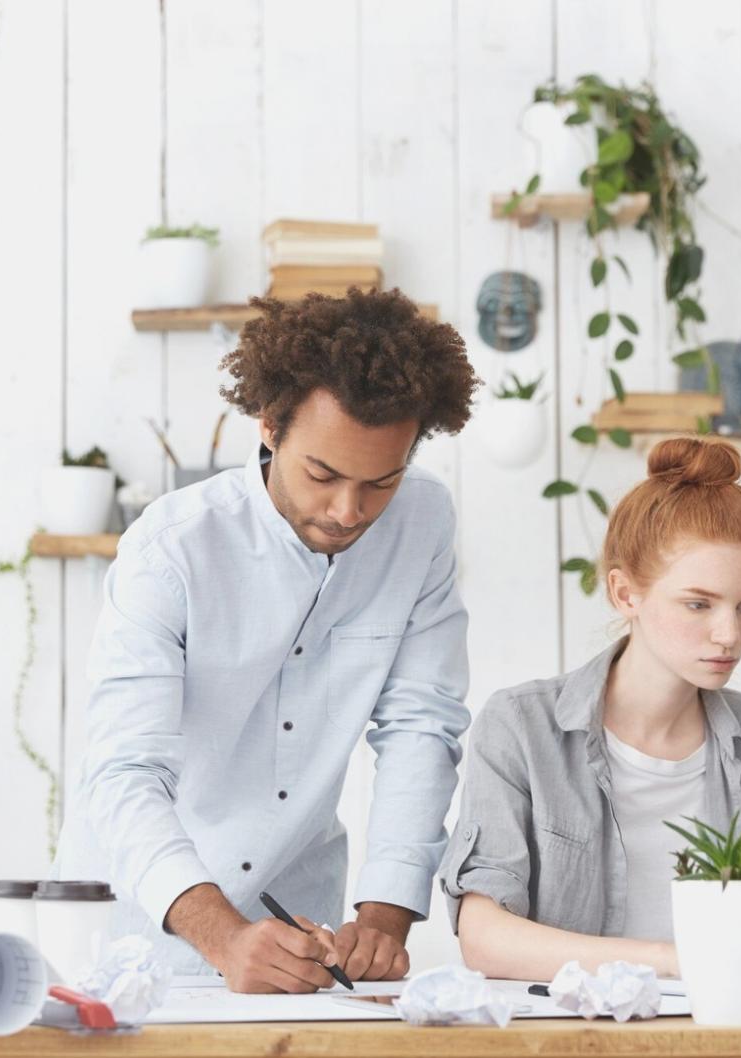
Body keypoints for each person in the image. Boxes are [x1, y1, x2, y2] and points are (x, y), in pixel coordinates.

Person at [54, 288, 481, 992]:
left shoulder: (423, 522)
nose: (349, 511)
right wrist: (222, 936)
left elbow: (420, 726)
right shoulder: (170, 550)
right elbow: (124, 772)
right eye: (323, 474)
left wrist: (383, 919)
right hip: (139, 931)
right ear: (269, 425)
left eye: (381, 481)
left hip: (302, 927)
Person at [441, 437, 741, 982]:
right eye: (698, 603)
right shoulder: (522, 727)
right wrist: (672, 962)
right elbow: (484, 936)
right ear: (625, 594)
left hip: (733, 1027)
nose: (728, 633)